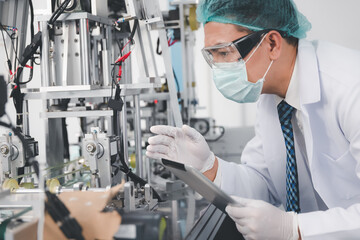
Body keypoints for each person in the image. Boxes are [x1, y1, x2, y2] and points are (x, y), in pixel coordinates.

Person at [145, 0, 360, 239]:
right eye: (212, 56)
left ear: (272, 43)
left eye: (225, 52)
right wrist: (208, 167)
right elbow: (264, 182)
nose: (218, 68)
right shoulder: (272, 96)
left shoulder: (351, 88)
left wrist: (295, 228)